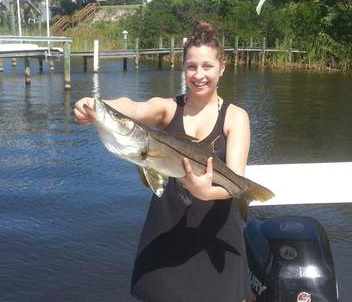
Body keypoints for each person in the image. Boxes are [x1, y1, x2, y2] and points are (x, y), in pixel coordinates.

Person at [74, 21, 253, 302]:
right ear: (183, 67)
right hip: (168, 230)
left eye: (207, 66)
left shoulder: (235, 117)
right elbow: (132, 107)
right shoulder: (168, 108)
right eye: (192, 66)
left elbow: (237, 181)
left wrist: (204, 191)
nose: (199, 75)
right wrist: (94, 104)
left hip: (217, 231)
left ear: (222, 67)